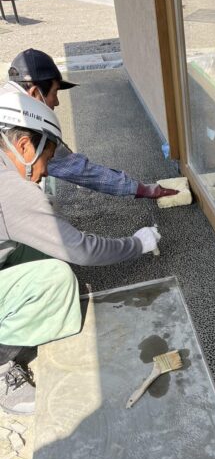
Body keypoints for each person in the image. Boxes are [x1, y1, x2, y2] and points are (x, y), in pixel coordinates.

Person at [0, 91, 164, 415]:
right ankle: (3, 365)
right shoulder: (13, 190)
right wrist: (137, 243)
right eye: (47, 159)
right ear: (24, 146)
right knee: (57, 277)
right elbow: (82, 250)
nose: (46, 171)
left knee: (43, 246)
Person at [3, 48, 178, 199]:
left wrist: (141, 189)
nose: (56, 102)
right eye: (55, 92)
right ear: (35, 93)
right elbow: (80, 170)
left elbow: (73, 165)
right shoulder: (30, 132)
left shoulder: (12, 110)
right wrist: (143, 190)